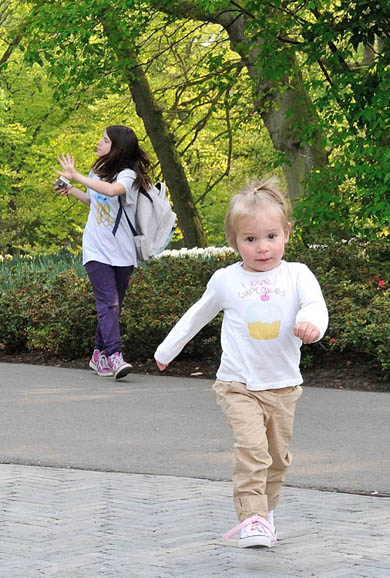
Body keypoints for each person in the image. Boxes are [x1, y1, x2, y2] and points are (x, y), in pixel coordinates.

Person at [154, 177, 328, 548]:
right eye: (250, 240)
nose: (262, 247)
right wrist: (166, 351)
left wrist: (313, 324)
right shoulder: (226, 280)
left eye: (270, 237)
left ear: (286, 233)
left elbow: (316, 306)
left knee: (277, 461)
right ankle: (253, 519)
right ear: (234, 241)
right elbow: (195, 316)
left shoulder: (297, 275)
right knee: (252, 451)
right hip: (238, 384)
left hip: (283, 387)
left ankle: (265, 512)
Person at [55, 125, 152, 380]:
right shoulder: (96, 171)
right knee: (108, 303)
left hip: (122, 251)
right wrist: (72, 189)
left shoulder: (128, 175)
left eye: (105, 140)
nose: (99, 143)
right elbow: (94, 201)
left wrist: (76, 177)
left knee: (113, 306)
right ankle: (114, 355)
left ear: (117, 147)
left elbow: (111, 192)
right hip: (96, 249)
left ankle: (98, 354)